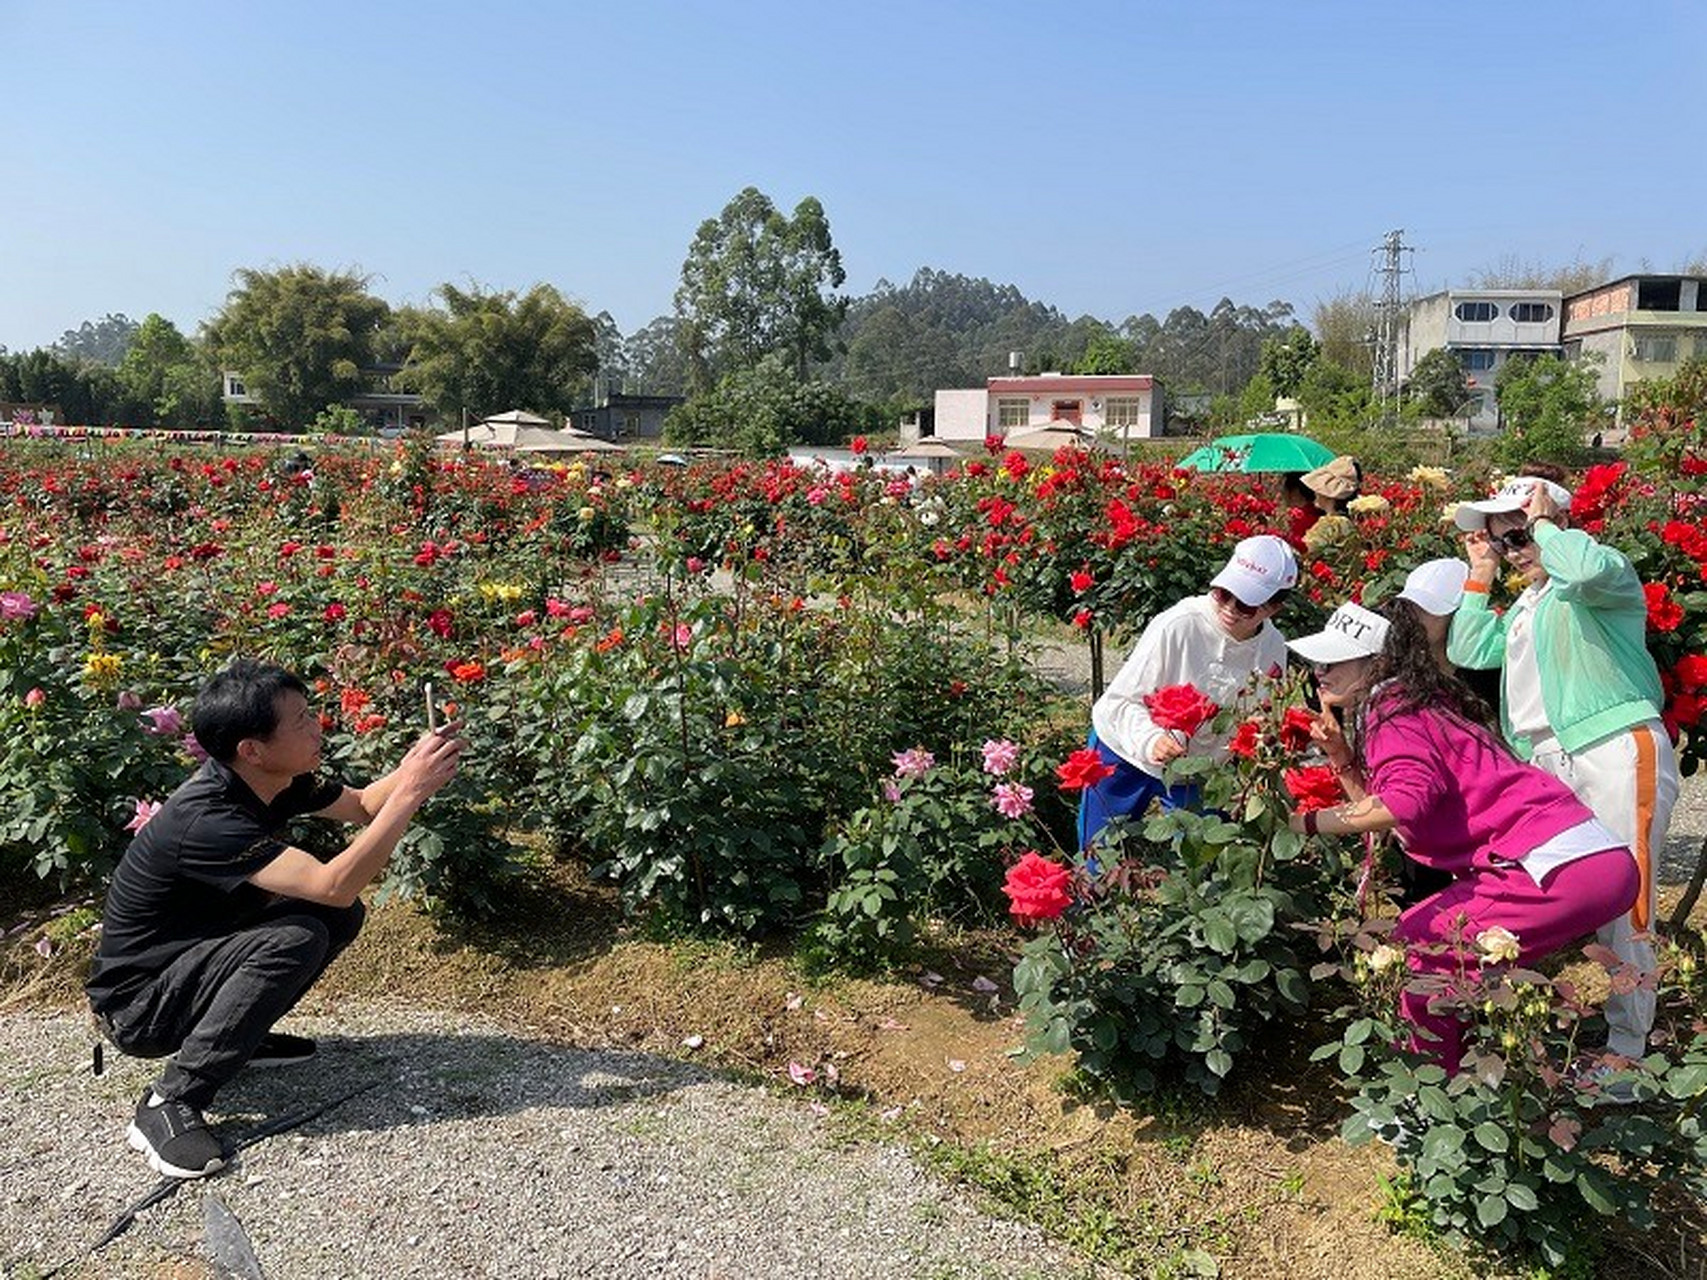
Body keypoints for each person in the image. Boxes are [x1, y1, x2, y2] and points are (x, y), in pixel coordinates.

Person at [86, 660, 466, 1179]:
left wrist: (416, 765)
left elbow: (362, 806)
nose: (318, 727)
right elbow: (334, 880)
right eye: (302, 720)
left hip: (190, 967)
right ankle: (168, 1102)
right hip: (139, 1006)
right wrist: (413, 793)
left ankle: (234, 1036)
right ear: (252, 749)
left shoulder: (271, 779)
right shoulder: (208, 818)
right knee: (298, 933)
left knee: (335, 916)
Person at [1287, 599, 1638, 1074]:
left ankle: (1426, 1096)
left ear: (1380, 662)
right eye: (1316, 660)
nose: (1318, 671)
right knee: (1460, 963)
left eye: (1333, 661)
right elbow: (1393, 808)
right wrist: (1342, 757)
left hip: (1550, 865)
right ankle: (1485, 1076)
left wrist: (1305, 822)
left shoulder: (1389, 710)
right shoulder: (1415, 701)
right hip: (1587, 858)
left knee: (1419, 949)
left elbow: (1405, 803)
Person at [1447, 469, 1680, 1061]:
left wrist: (1545, 524)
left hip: (1613, 747)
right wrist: (1481, 574)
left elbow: (1579, 568)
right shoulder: (1530, 602)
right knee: (1545, 891)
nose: (1514, 550)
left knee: (1628, 897)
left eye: (1518, 535)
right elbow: (1468, 649)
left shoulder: (1602, 575)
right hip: (1549, 761)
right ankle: (1532, 1026)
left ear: (1558, 524)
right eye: (1502, 539)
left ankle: (1629, 1051)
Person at [1080, 534, 1297, 849]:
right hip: (1124, 748)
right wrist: (1151, 739)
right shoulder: (1180, 625)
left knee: (1202, 857)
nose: (1230, 608)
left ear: (1275, 607)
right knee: (1100, 852)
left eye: (1247, 604)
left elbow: (1258, 721)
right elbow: (1120, 702)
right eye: (1223, 593)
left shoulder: (1273, 649)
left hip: (1200, 767)